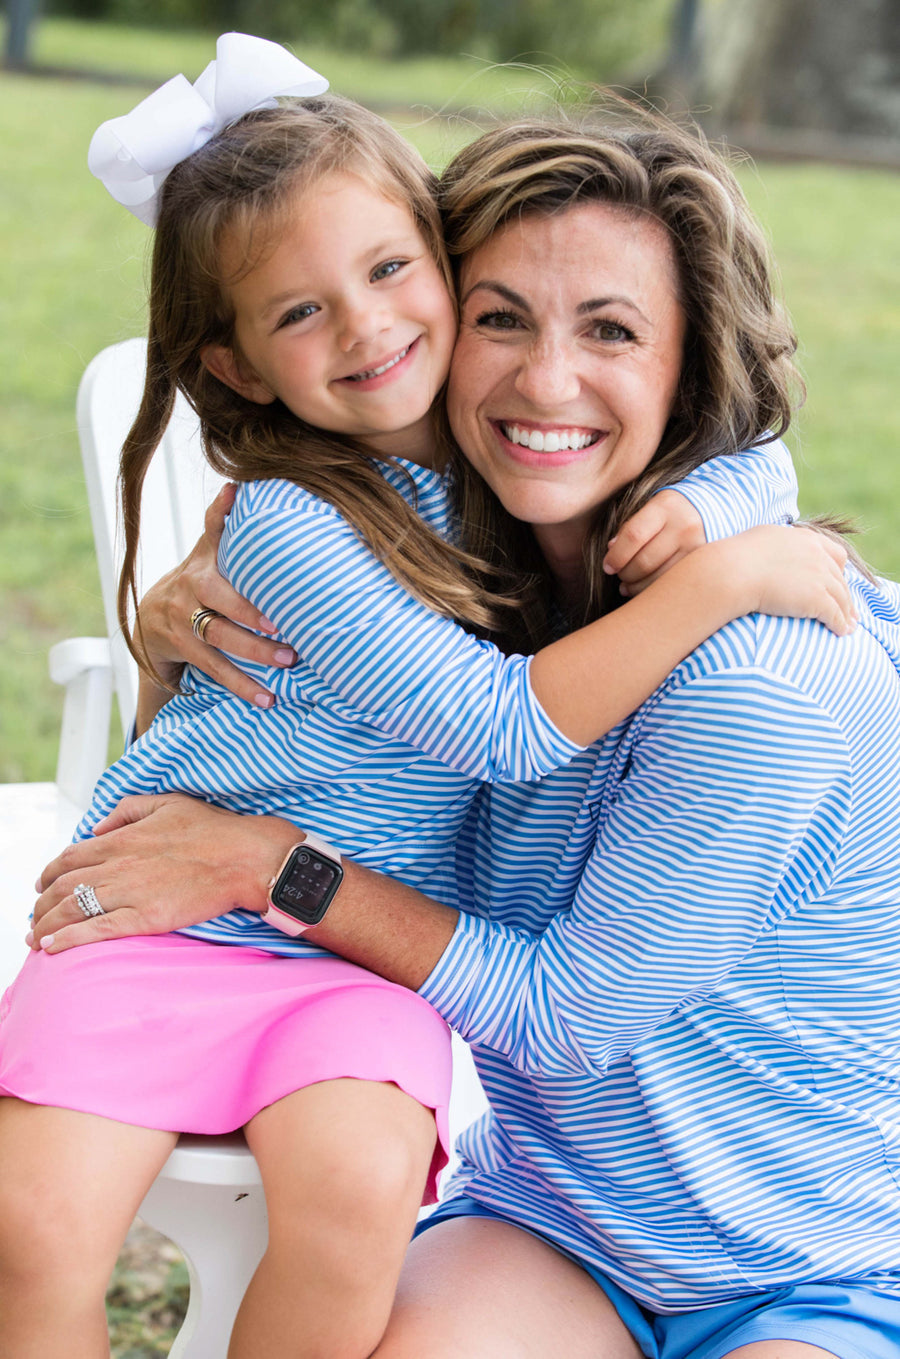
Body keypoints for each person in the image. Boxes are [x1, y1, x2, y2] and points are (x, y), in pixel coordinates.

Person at [0, 36, 854, 1359]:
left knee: (352, 1201)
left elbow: (741, 450)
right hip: (244, 974)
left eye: (391, 272)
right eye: (503, 316)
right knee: (39, 1226)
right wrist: (719, 579)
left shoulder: (604, 545)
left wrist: (728, 533)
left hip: (774, 1232)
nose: (368, 327)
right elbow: (485, 715)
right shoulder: (359, 523)